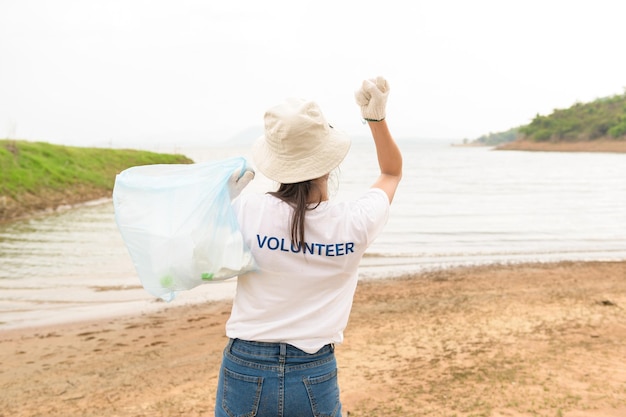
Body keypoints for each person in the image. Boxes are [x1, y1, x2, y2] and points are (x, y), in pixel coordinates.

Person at [216, 76, 402, 417]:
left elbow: (203, 259)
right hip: (313, 370)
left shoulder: (246, 209)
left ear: (276, 162)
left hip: (246, 366)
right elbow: (391, 173)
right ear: (329, 162)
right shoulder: (354, 222)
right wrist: (377, 119)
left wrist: (221, 197)